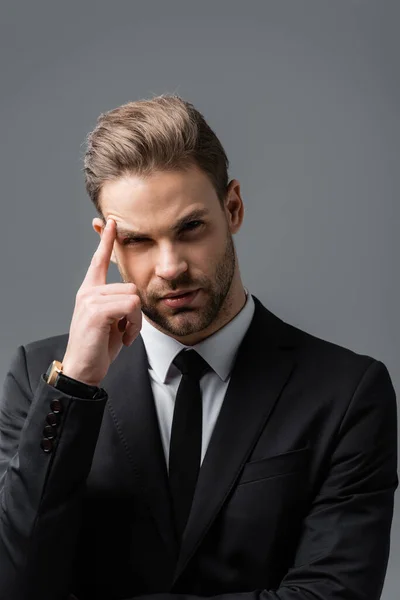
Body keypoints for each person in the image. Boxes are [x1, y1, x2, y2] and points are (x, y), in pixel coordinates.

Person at [0, 94, 397, 600]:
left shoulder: (347, 392)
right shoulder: (44, 379)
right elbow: (15, 584)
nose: (170, 267)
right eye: (139, 240)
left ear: (232, 208)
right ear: (107, 241)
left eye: (189, 229)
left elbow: (333, 593)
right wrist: (75, 385)